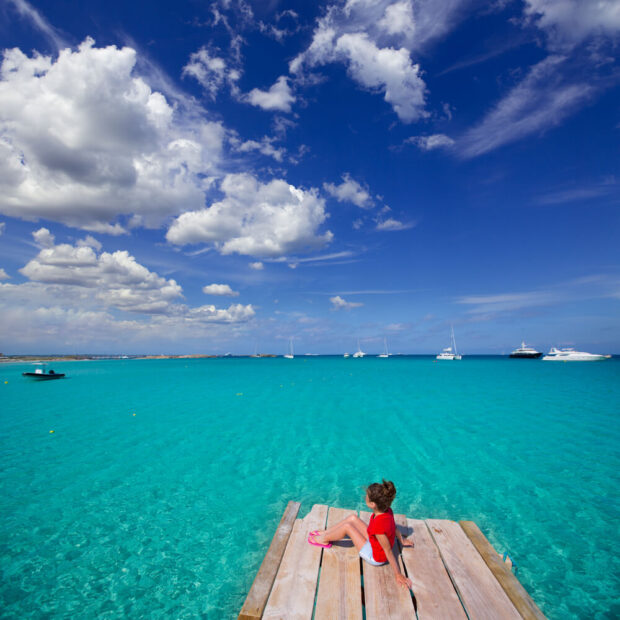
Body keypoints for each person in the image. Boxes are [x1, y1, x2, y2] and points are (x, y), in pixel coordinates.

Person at [307, 480, 414, 589]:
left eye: (366, 497)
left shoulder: (379, 526)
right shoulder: (387, 511)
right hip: (375, 542)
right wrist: (402, 540)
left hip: (375, 556)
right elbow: (394, 527)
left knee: (347, 527)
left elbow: (387, 550)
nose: (364, 497)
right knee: (352, 518)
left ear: (373, 504)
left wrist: (398, 574)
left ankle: (323, 539)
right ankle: (327, 532)